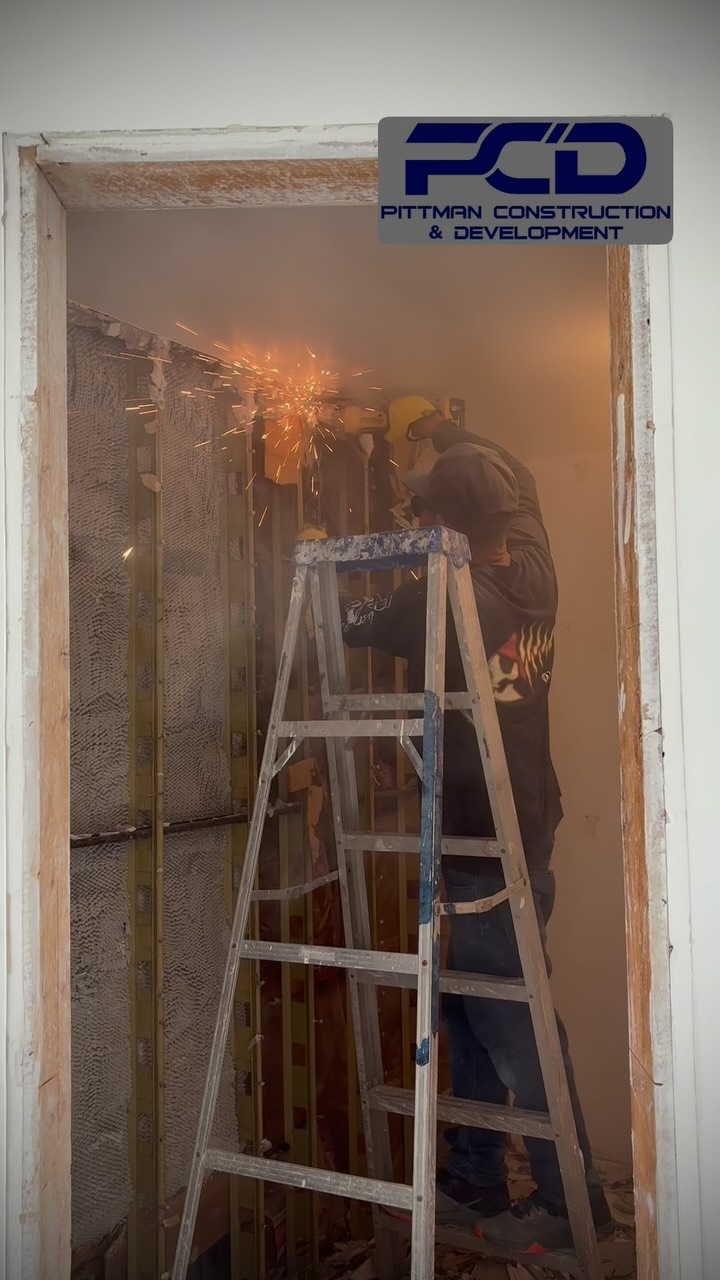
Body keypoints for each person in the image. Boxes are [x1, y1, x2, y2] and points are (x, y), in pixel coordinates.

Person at [340, 443, 613, 1254]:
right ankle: (475, 1174)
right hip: (522, 820)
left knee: (513, 1021)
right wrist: (465, 460)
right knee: (467, 1005)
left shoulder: (460, 595)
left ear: (454, 527)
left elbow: (371, 623)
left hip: (484, 832)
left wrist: (356, 586)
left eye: (430, 510)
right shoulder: (531, 556)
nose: (419, 519)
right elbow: (515, 490)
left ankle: (575, 1208)